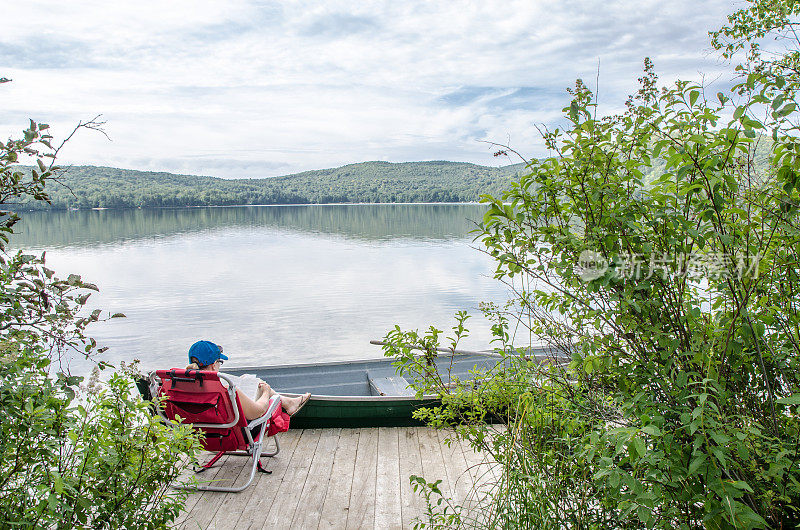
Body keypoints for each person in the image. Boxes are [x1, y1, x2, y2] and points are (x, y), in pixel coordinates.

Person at [186, 340, 311, 421]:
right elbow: (257, 412)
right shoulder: (225, 388)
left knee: (246, 378)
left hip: (201, 436)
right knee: (260, 385)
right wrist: (266, 392)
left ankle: (289, 403)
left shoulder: (181, 385)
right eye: (220, 362)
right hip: (233, 433)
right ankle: (288, 403)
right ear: (214, 364)